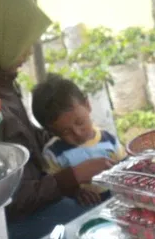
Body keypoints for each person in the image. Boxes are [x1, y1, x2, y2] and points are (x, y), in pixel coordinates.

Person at [0, 0, 114, 239]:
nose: (25, 54)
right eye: (20, 44)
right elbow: (6, 200)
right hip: (5, 226)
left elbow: (23, 140)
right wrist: (70, 177)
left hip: (35, 197)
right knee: (101, 224)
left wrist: (68, 136)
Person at [32, 73, 126, 206]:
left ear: (87, 105)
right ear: (52, 131)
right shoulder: (53, 153)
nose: (77, 133)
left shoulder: (109, 140)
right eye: (65, 131)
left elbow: (124, 167)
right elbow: (54, 187)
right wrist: (75, 192)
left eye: (80, 122)